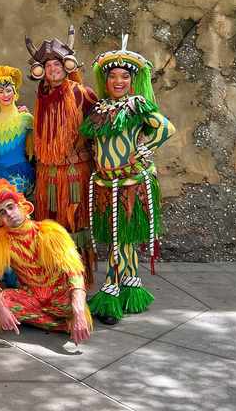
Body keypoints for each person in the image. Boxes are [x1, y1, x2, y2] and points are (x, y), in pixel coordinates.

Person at [82, 36, 176, 325]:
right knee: (118, 240)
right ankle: (132, 285)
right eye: (113, 76)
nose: (118, 81)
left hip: (129, 184)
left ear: (132, 81)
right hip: (104, 185)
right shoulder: (99, 109)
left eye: (124, 76)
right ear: (106, 80)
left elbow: (166, 128)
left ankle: (111, 293)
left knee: (120, 240)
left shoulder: (137, 105)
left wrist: (145, 151)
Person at [0, 178, 92, 344]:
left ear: (24, 207)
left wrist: (79, 310)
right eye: (2, 212)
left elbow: (75, 273)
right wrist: (1, 308)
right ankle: (61, 326)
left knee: (72, 305)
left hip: (61, 297)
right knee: (2, 303)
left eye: (11, 207)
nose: (9, 213)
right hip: (31, 296)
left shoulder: (51, 232)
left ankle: (62, 321)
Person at [25, 26, 97, 283]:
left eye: (57, 63)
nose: (53, 68)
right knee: (50, 222)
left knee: (76, 221)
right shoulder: (41, 98)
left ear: (67, 66)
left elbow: (100, 128)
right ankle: (53, 274)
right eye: (47, 65)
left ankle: (78, 277)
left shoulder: (82, 94)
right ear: (40, 71)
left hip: (75, 172)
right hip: (47, 173)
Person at [0, 65, 35, 195]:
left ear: (15, 92)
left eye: (8, 90)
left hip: (20, 173)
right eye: (0, 92)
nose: (5, 95)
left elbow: (36, 146)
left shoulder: (26, 118)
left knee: (12, 203)